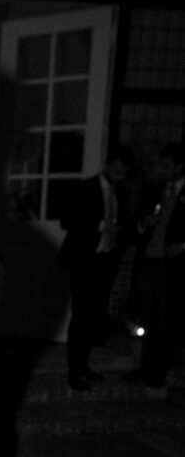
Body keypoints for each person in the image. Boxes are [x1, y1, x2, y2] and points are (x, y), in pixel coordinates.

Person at [57, 147, 134, 391]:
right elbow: (67, 220)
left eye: (124, 173)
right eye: (117, 171)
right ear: (108, 166)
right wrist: (100, 225)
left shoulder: (119, 192)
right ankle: (74, 371)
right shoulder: (85, 188)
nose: (120, 177)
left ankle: (84, 366)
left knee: (93, 316)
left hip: (105, 261)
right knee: (81, 316)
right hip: (84, 261)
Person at [124, 142, 185, 388]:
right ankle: (145, 367)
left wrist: (182, 246)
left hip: (174, 264)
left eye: (167, 166)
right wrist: (143, 224)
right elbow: (134, 223)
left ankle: (159, 371)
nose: (162, 170)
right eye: (160, 165)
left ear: (180, 167)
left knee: (167, 318)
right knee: (148, 317)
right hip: (149, 260)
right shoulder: (154, 190)